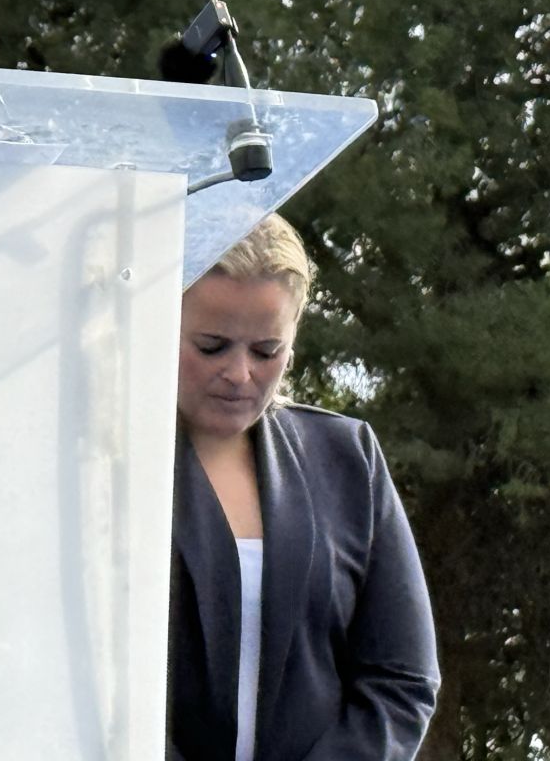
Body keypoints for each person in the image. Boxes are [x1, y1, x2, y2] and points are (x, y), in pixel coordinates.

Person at [169, 214, 440, 760]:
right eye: (212, 345)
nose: (240, 373)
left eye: (266, 351)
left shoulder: (347, 458)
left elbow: (402, 680)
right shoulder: (101, 462)